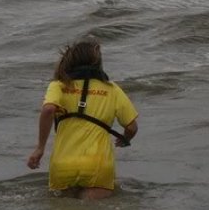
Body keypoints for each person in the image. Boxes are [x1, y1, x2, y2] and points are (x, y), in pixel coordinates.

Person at [27, 37, 139, 200]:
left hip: (63, 165)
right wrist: (125, 139)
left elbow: (48, 109)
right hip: (98, 165)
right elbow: (131, 127)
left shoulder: (59, 85)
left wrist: (40, 148)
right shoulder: (112, 89)